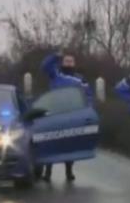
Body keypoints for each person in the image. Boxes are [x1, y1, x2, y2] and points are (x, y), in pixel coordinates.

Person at [40, 51, 93, 182]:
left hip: (72, 112)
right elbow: (44, 66)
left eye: (71, 61)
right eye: (66, 61)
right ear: (62, 62)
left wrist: (89, 108)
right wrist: (55, 56)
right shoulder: (56, 74)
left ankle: (69, 171)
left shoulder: (80, 78)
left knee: (69, 142)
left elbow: (88, 95)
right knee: (51, 141)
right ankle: (48, 171)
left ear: (74, 63)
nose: (69, 63)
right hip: (55, 111)